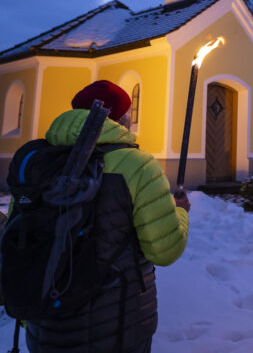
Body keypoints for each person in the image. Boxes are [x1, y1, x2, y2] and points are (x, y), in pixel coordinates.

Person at [21, 80, 190, 353]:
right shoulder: (139, 165)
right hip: (118, 325)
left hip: (45, 322)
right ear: (120, 117)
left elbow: (16, 244)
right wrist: (180, 211)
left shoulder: (36, 163)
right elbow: (164, 250)